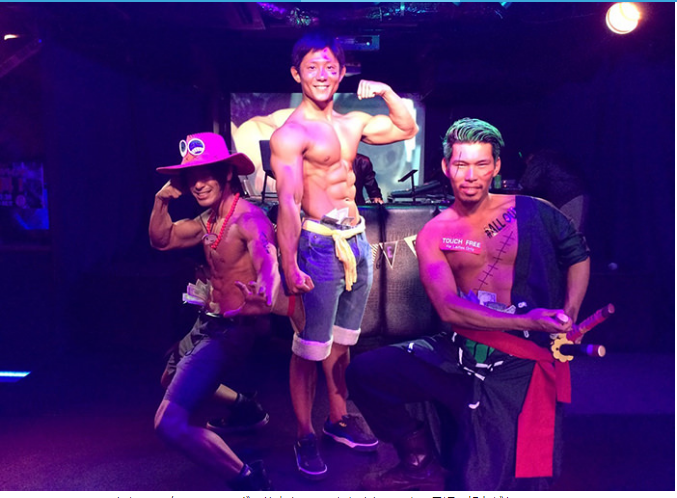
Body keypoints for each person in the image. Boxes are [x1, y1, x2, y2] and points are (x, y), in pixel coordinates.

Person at [346, 118, 590, 491]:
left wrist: (569, 314)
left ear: (496, 166)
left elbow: (577, 254)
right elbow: (447, 307)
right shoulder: (435, 233)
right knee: (365, 372)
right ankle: (417, 459)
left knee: (481, 481)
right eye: (461, 164)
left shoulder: (533, 210)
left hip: (519, 364)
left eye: (481, 164)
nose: (471, 176)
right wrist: (531, 320)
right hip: (459, 353)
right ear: (446, 167)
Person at [269, 32, 418, 479]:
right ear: (296, 73)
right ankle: (303, 433)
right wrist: (289, 264)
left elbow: (407, 128)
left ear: (342, 73)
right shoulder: (291, 134)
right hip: (317, 245)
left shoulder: (353, 122)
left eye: (330, 67)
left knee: (342, 340)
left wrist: (386, 91)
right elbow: (289, 203)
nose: (322, 75)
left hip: (355, 240)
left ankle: (337, 419)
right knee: (308, 348)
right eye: (312, 67)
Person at [149, 132, 301, 491]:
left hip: (231, 332)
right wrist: (160, 201)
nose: (198, 184)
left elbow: (267, 258)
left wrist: (266, 286)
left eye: (206, 174)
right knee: (168, 379)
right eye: (191, 176)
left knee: (168, 422)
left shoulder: (248, 219)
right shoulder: (208, 220)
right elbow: (162, 239)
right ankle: (245, 407)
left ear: (227, 173)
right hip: (206, 322)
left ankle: (249, 478)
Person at [519, 148, 589, 232]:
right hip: (574, 196)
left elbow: (528, 182)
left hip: (570, 198)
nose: (528, 166)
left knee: (570, 233)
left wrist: (516, 188)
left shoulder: (539, 159)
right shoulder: (551, 156)